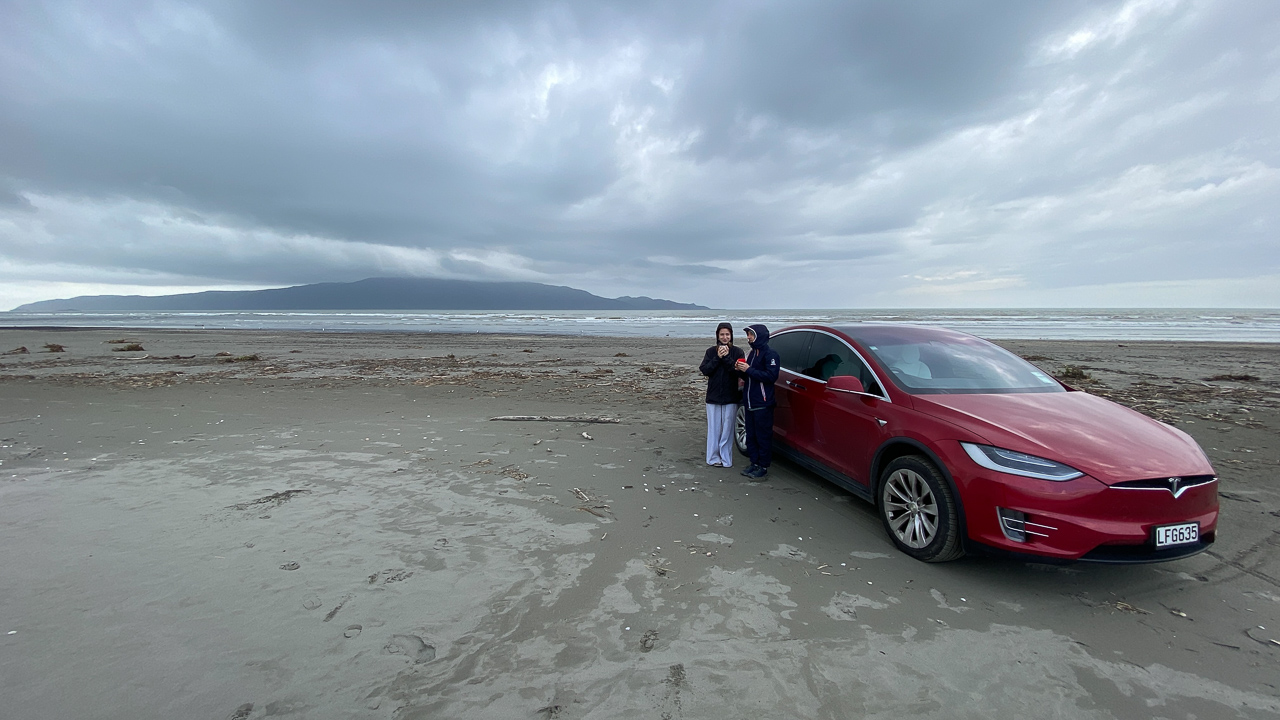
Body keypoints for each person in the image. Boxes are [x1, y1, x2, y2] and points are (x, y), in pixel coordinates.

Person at [736, 324, 780, 479]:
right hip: (749, 401)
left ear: (759, 336)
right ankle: (754, 463)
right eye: (748, 335)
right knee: (751, 435)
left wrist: (748, 369)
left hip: (763, 403)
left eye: (751, 335)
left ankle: (763, 466)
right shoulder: (752, 354)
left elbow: (771, 377)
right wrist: (740, 370)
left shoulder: (771, 354)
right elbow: (749, 377)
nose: (748, 337)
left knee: (763, 436)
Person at [699, 322, 745, 467]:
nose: (725, 337)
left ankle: (725, 458)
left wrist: (726, 358)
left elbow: (738, 372)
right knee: (714, 429)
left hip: (730, 396)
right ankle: (713, 457)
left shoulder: (738, 352)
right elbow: (705, 370)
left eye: (727, 334)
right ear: (717, 336)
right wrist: (718, 357)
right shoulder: (710, 351)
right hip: (713, 396)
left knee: (727, 429)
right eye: (722, 334)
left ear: (731, 336)